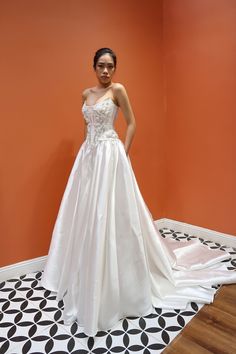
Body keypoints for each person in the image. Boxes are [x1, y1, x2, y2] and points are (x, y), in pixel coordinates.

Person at [41, 47, 236, 337]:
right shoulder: (85, 94)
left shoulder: (118, 90)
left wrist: (123, 152)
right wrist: (86, 157)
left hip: (111, 155)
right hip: (90, 158)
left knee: (111, 215)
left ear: (115, 69)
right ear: (93, 67)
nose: (106, 71)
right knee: (86, 214)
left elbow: (132, 123)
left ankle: (120, 278)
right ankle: (89, 271)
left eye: (110, 66)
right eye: (101, 66)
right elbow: (87, 128)